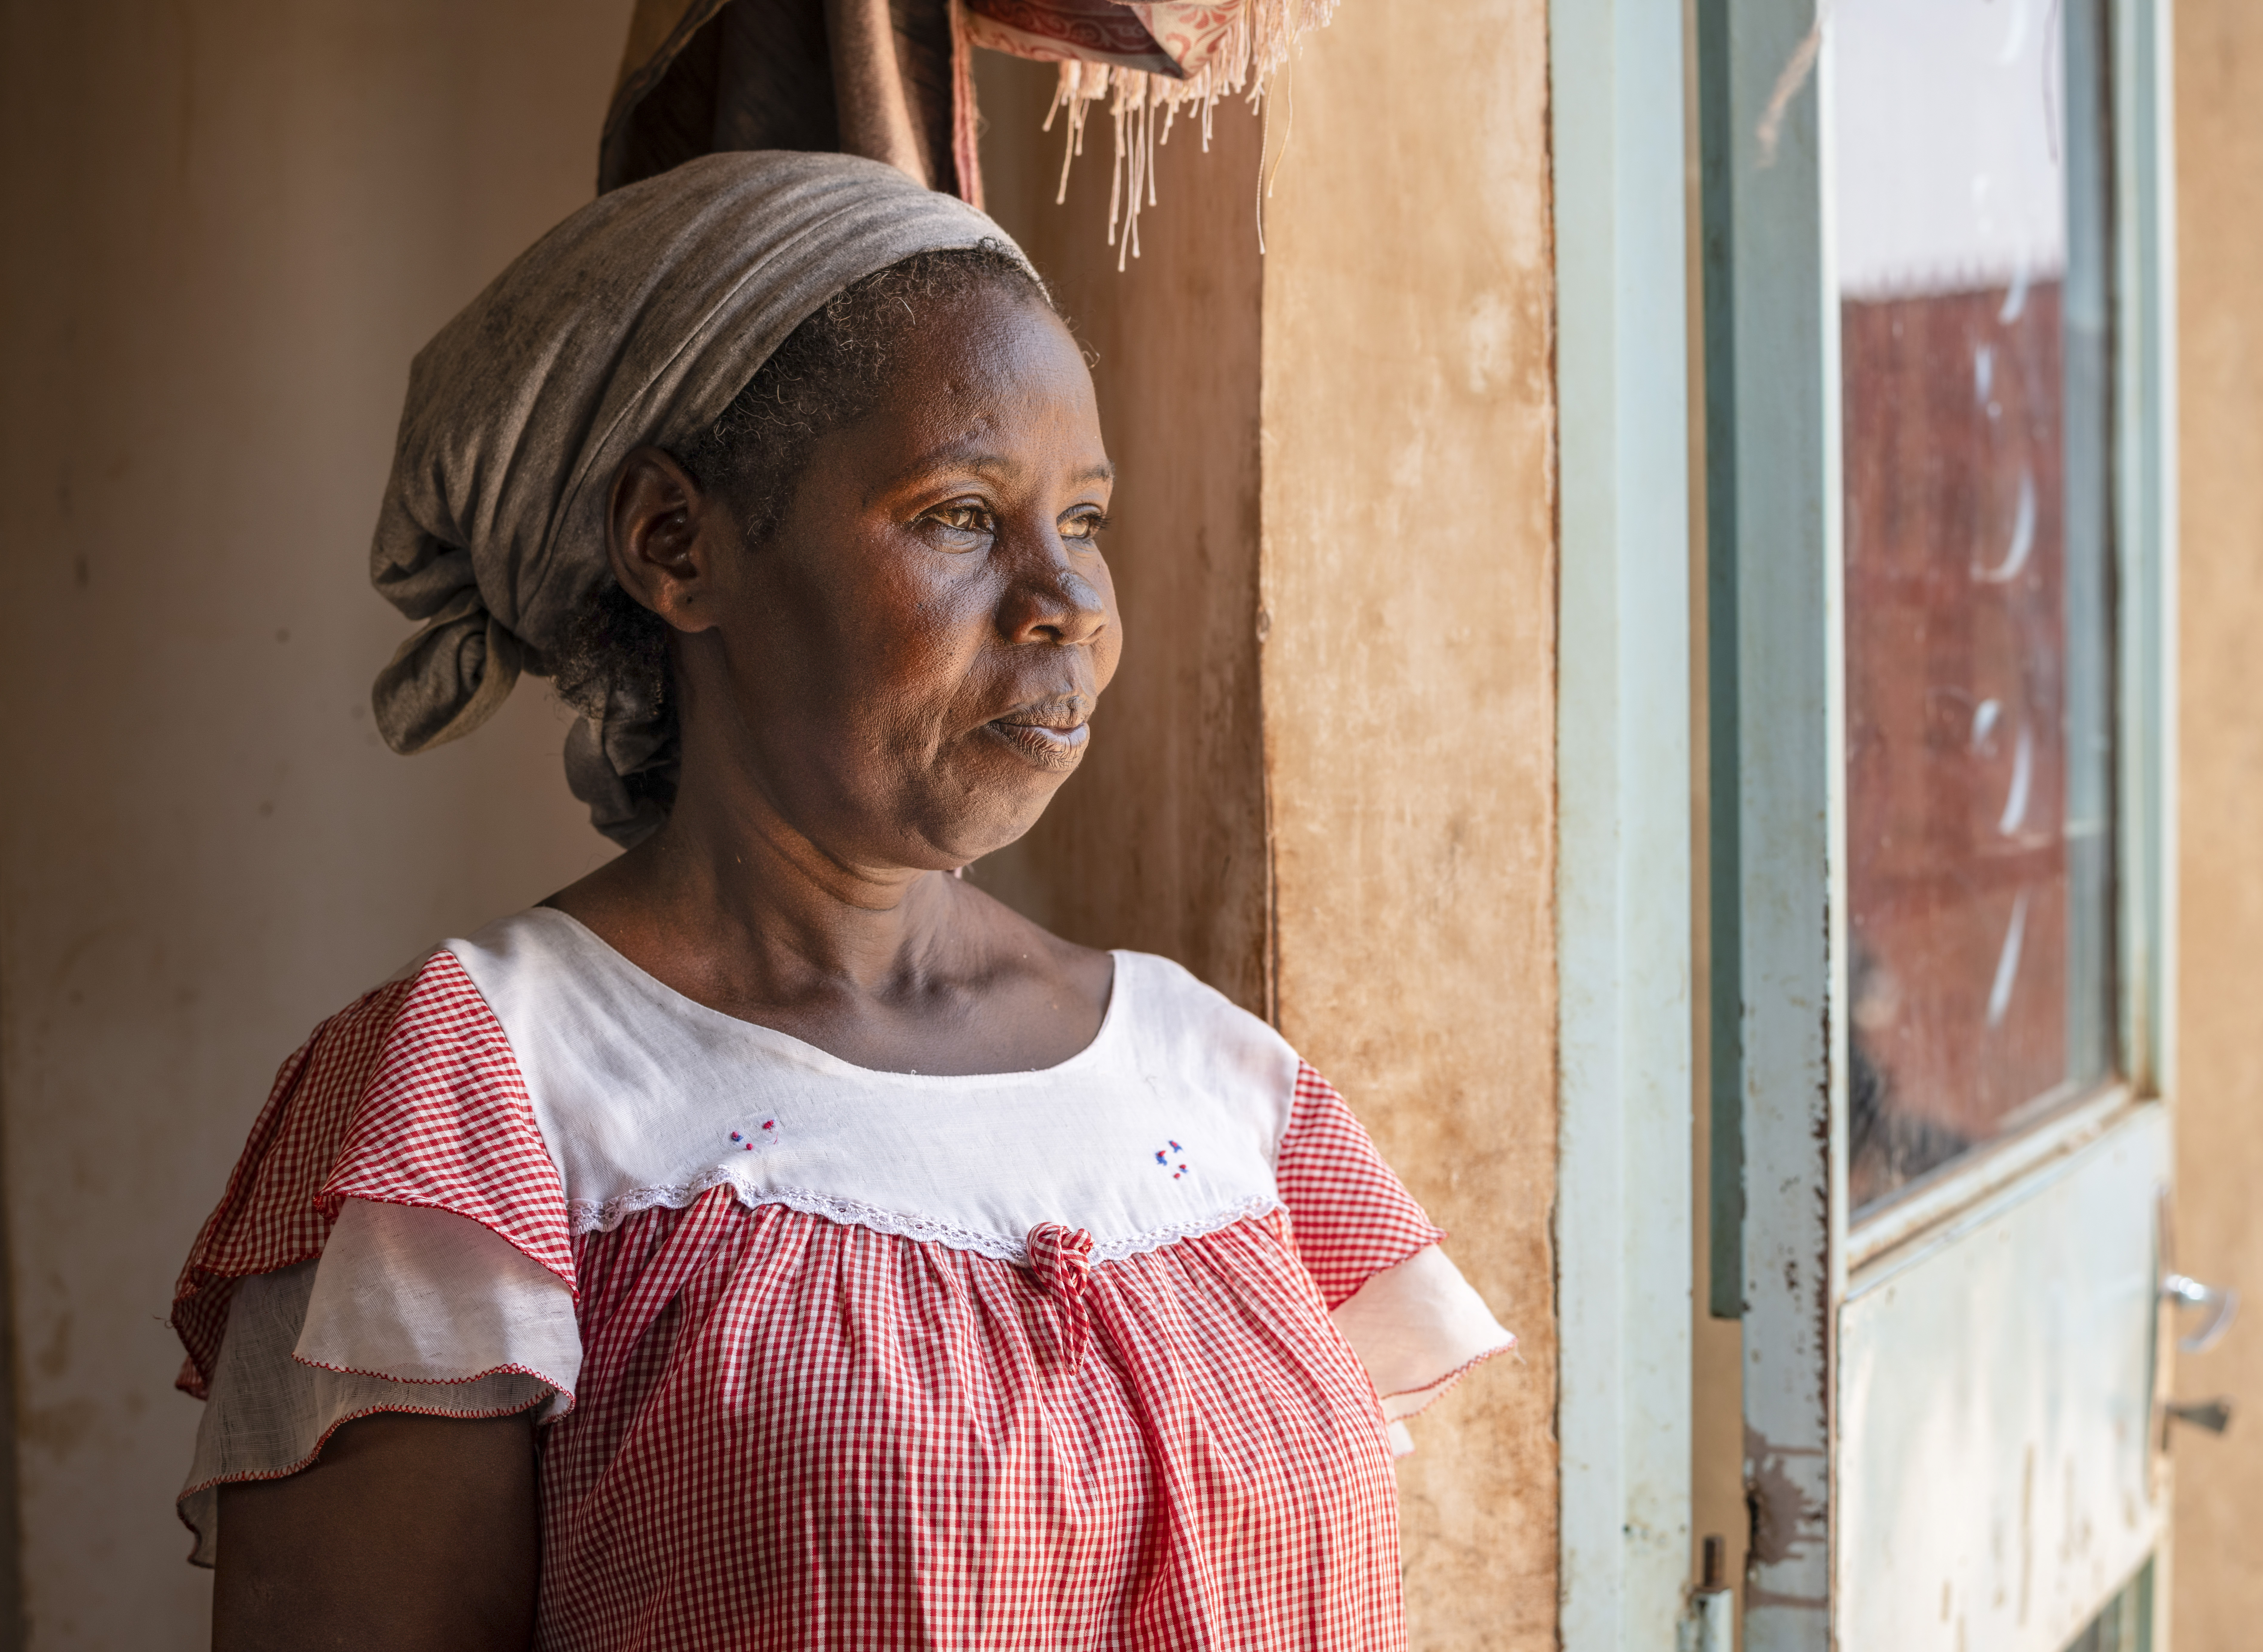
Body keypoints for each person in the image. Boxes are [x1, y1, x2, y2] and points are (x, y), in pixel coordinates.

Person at [170, 150, 1512, 1652]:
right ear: (677, 545)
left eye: (1088, 518)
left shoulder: (1208, 1084)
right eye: (958, 515)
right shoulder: (485, 1095)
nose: (1066, 601)